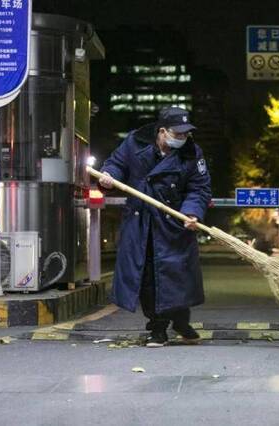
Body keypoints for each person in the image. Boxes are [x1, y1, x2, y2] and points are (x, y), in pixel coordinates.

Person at [98, 107, 211, 347]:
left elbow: (199, 187)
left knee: (178, 277)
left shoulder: (192, 153)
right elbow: (116, 164)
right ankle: (157, 328)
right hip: (141, 223)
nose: (182, 138)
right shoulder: (134, 143)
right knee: (150, 276)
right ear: (162, 131)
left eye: (185, 134)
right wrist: (108, 175)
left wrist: (192, 212)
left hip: (174, 224)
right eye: (177, 134)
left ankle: (181, 321)